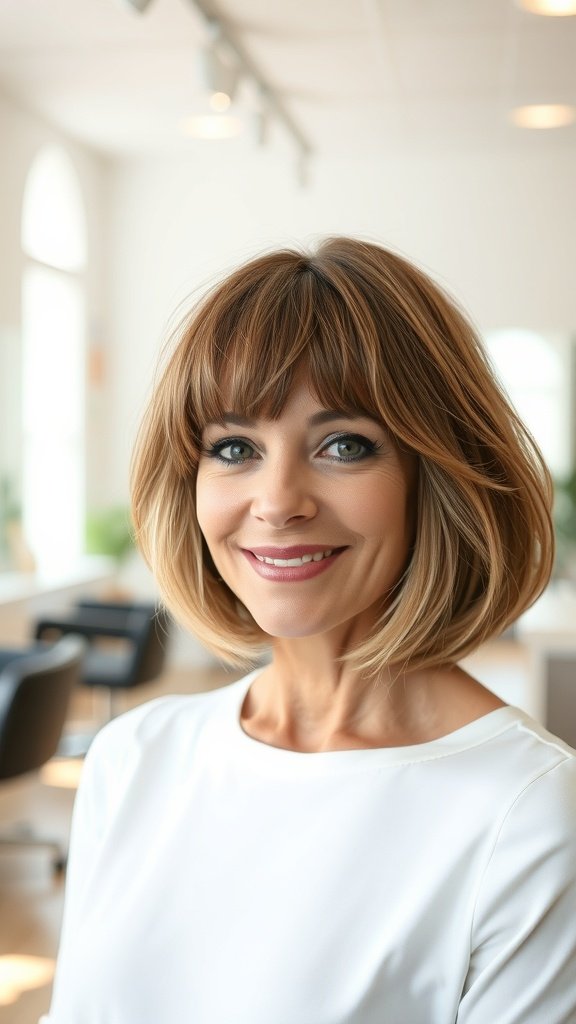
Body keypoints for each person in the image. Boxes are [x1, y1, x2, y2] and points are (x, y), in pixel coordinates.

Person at [46, 237, 576, 1023]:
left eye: (344, 446)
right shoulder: (134, 758)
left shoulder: (530, 812)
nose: (278, 499)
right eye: (234, 449)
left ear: (434, 476)